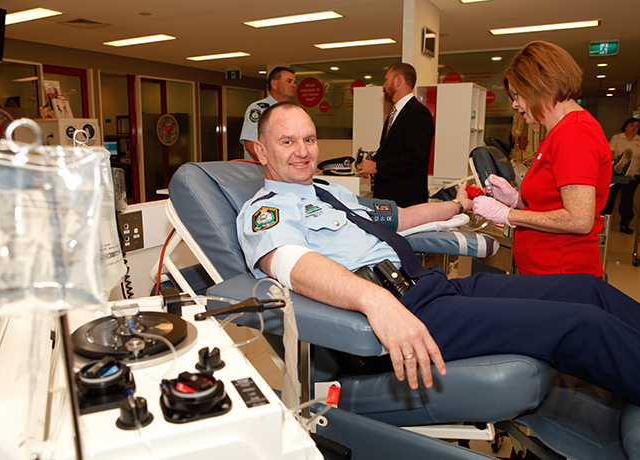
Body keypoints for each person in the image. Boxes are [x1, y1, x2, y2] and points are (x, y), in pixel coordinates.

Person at [237, 101, 640, 406]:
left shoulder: (328, 191)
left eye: (308, 139)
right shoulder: (265, 209)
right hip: (400, 312)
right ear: (261, 151)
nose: (302, 151)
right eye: (287, 142)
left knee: (587, 290)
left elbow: (402, 218)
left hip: (431, 288)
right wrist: (376, 301)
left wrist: (460, 205)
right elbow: (292, 264)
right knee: (581, 325)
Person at [473, 41, 612, 277]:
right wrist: (517, 201)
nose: (515, 105)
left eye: (517, 95)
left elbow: (579, 219)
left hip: (561, 274)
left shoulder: (574, 132)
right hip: (542, 270)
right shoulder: (558, 131)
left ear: (539, 86)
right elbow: (554, 205)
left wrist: (508, 215)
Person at [356, 63, 434, 207]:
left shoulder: (418, 113)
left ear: (398, 81)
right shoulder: (394, 114)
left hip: (405, 202)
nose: (383, 86)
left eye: (386, 80)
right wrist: (370, 166)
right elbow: (391, 152)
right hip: (389, 200)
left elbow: (415, 157)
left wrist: (377, 167)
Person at [239, 66, 297, 160]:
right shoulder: (258, 109)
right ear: (274, 84)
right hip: (259, 170)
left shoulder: (294, 111)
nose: (294, 85)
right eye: (289, 81)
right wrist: (270, 165)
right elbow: (250, 145)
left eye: (294, 82)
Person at [601, 117, 640, 234]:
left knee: (627, 200)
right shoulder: (617, 138)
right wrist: (617, 160)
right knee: (610, 198)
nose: (634, 128)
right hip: (615, 174)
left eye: (637, 126)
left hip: (634, 174)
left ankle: (624, 224)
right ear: (626, 126)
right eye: (632, 125)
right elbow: (610, 152)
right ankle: (603, 221)